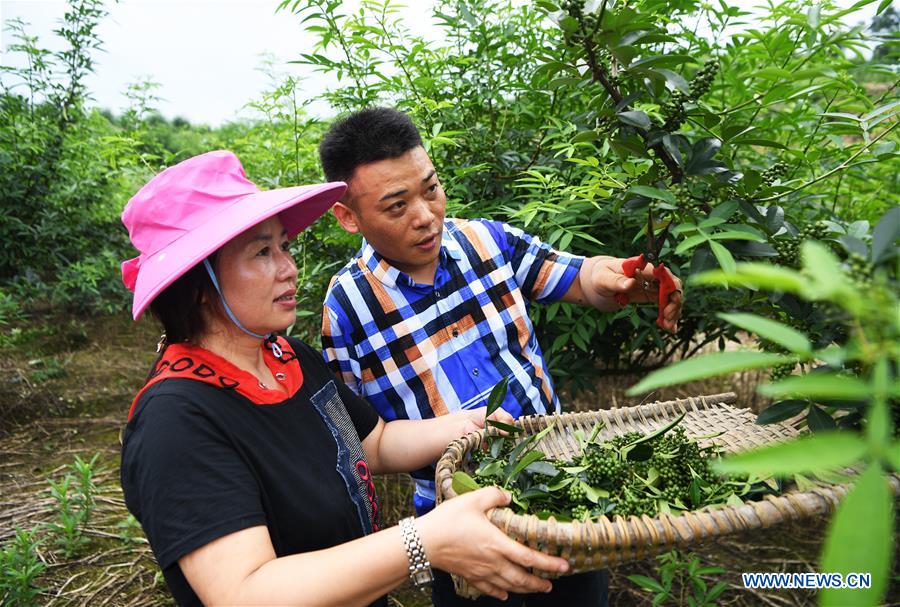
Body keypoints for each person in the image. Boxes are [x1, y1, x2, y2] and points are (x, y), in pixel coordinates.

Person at [118, 150, 571, 607]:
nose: (288, 267)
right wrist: (421, 540)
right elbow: (245, 592)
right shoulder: (176, 423)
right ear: (198, 286)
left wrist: (473, 424)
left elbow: (371, 443)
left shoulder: (290, 360)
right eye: (261, 252)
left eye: (283, 246)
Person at [319, 107, 684, 606]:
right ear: (348, 216)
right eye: (396, 206)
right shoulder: (347, 310)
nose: (426, 216)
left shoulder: (486, 241)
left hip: (565, 503)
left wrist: (615, 279)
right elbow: (363, 443)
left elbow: (578, 276)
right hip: (461, 536)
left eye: (431, 189)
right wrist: (471, 426)